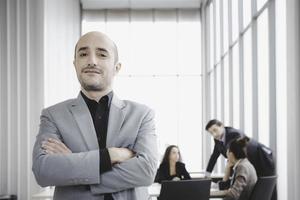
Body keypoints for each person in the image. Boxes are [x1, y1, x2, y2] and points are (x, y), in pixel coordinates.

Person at [32, 31, 158, 200]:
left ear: (117, 67)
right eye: (83, 54)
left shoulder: (142, 115)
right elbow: (43, 171)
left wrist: (72, 167)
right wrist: (112, 155)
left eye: (102, 54)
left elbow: (146, 172)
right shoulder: (53, 115)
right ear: (75, 64)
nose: (91, 61)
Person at [205, 119, 276, 200]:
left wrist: (224, 183)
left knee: (266, 189)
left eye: (215, 130)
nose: (214, 134)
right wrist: (206, 176)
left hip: (262, 158)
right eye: (211, 133)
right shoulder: (218, 139)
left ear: (221, 125)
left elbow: (233, 155)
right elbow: (214, 156)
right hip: (249, 162)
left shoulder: (234, 134)